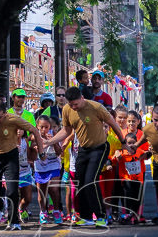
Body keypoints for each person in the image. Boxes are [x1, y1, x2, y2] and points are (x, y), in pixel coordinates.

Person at [42, 87, 124, 228]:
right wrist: (50, 141)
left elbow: (113, 123)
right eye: (71, 104)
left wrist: (123, 142)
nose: (74, 107)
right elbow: (66, 130)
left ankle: (101, 216)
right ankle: (86, 216)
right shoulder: (68, 110)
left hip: (100, 147)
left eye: (76, 104)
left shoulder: (96, 107)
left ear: (82, 98)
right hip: (83, 149)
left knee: (90, 180)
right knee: (80, 182)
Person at [0, 100, 48, 230]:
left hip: (10, 156)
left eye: (0, 117)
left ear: (6, 114)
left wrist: (41, 152)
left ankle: (13, 221)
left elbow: (35, 131)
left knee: (12, 190)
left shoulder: (14, 119)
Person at [34, 116, 65, 225]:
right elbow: (32, 153)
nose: (44, 130)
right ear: (37, 126)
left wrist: (53, 141)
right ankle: (43, 212)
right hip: (40, 166)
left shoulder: (54, 135)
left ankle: (56, 210)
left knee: (54, 188)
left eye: (46, 127)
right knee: (42, 191)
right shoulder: (34, 136)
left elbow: (59, 152)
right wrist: (36, 148)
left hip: (53, 165)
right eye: (41, 127)